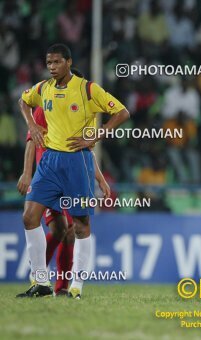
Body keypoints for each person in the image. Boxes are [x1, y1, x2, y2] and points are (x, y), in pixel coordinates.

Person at [17, 43, 129, 299]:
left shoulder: (88, 89)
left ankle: (76, 285)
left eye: (57, 62)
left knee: (79, 226)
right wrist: (32, 124)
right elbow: (23, 101)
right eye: (49, 63)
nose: (52, 67)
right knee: (29, 217)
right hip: (49, 163)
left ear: (68, 62)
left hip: (77, 161)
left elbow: (122, 112)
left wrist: (97, 136)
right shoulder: (43, 88)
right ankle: (42, 283)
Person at [17, 105, 111, 296]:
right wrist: (27, 173)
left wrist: (100, 178)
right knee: (57, 229)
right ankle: (39, 274)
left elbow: (85, 151)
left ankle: (61, 288)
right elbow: (31, 141)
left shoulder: (79, 114)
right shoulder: (44, 109)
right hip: (48, 176)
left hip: (71, 176)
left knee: (68, 231)